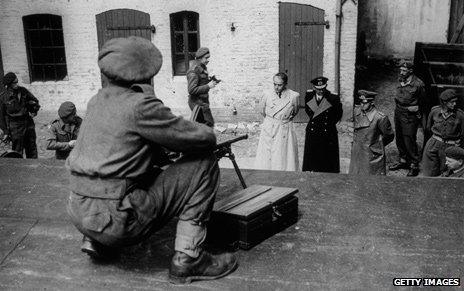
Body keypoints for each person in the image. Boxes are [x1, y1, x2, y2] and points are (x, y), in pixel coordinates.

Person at [65, 36, 236, 284]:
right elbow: (203, 139)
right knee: (205, 164)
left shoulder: (97, 101)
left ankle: (98, 241)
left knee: (133, 169)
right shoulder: (140, 105)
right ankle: (189, 258)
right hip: (118, 220)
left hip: (80, 213)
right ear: (146, 73)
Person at [255, 72, 299, 171]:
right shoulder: (266, 94)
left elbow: (295, 111)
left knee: (283, 154)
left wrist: (283, 120)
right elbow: (262, 111)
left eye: (280, 85)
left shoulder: (293, 96)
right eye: (274, 84)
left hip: (284, 127)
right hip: (269, 126)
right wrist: (271, 121)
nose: (276, 87)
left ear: (285, 84)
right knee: (267, 154)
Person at [389, 60, 425, 177]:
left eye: (404, 70)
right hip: (399, 111)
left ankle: (414, 165)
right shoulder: (401, 80)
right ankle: (403, 161)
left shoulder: (418, 84)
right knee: (399, 137)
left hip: (410, 115)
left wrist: (417, 108)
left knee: (409, 139)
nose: (402, 72)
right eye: (401, 70)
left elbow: (424, 102)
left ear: (410, 71)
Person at [302, 76, 343, 173]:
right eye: (318, 89)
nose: (321, 91)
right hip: (313, 131)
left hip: (328, 131)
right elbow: (309, 112)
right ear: (314, 88)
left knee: (327, 160)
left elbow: (338, 115)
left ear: (326, 86)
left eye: (323, 88)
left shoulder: (333, 97)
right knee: (312, 159)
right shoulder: (309, 95)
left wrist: (327, 124)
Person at [349, 90, 394, 175]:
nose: (362, 105)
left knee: (370, 178)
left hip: (371, 154)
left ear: (372, 102)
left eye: (365, 103)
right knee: (355, 174)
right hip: (357, 151)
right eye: (361, 102)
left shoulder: (380, 117)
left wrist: (376, 145)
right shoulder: (357, 111)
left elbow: (389, 135)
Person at [422, 89, 464, 176]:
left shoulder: (460, 115)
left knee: (446, 173)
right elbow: (428, 129)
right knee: (429, 171)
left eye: (455, 102)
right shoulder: (434, 111)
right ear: (444, 102)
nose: (454, 104)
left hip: (450, 147)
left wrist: (457, 146)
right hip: (433, 144)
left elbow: (462, 134)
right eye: (452, 102)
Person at [0, 72, 40, 158]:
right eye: (14, 83)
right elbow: (1, 117)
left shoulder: (23, 91)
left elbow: (35, 101)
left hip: (28, 122)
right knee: (17, 151)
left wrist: (34, 111)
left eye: (17, 81)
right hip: (15, 126)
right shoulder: (3, 97)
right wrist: (6, 132)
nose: (16, 84)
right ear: (9, 84)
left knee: (32, 148)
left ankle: (33, 168)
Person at [187, 47, 219, 127]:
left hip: (203, 103)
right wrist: (208, 86)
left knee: (206, 125)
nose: (208, 60)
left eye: (209, 57)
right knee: (207, 125)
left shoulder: (202, 68)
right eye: (206, 58)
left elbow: (200, 83)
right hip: (197, 104)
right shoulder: (193, 71)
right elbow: (191, 90)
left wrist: (210, 81)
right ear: (200, 58)